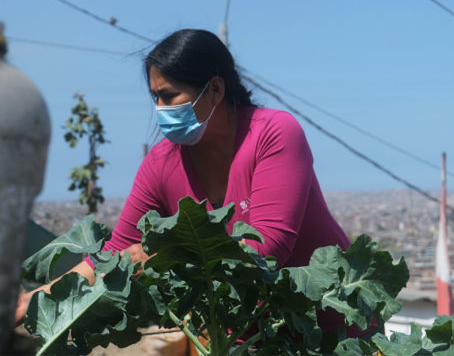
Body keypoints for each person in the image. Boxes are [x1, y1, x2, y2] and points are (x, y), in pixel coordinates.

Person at [16, 28, 371, 338]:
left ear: (215, 89)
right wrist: (33, 301)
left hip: (332, 331)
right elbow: (112, 257)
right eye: (154, 97)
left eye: (169, 96)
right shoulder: (160, 164)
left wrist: (159, 255)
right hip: (249, 339)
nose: (159, 109)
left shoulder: (274, 134)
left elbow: (269, 246)